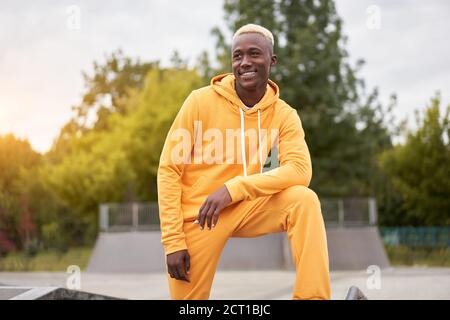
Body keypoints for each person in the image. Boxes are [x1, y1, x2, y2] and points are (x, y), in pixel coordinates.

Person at [157, 23, 330, 300]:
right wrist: (173, 241)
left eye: (254, 54)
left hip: (249, 206)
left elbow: (299, 170)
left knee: (304, 200)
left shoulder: (284, 115)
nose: (245, 62)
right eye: (238, 56)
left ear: (272, 60)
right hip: (201, 216)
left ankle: (312, 298)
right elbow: (168, 170)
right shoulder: (199, 102)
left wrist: (234, 189)